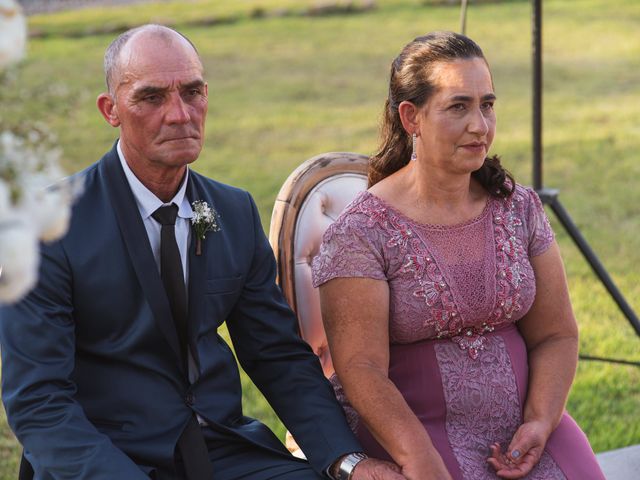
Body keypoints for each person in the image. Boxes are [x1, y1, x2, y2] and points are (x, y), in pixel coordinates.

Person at [0, 25, 406, 480]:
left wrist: (344, 460)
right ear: (110, 110)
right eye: (152, 97)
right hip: (102, 458)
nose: (179, 114)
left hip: (219, 449)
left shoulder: (229, 210)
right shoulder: (46, 227)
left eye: (192, 92)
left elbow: (277, 356)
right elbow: (39, 403)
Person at [312, 31, 606, 480]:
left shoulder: (517, 206)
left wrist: (542, 420)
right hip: (413, 433)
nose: (480, 126)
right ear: (412, 117)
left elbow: (557, 335)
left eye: (487, 105)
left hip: (524, 426)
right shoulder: (362, 232)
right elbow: (362, 371)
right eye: (458, 106)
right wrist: (419, 460)